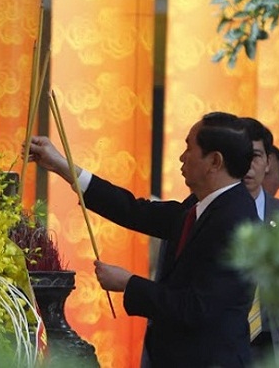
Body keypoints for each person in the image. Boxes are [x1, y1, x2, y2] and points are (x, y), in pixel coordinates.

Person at [26, 112, 258, 367]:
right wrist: (63, 166)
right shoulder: (201, 206)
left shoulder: (237, 222)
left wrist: (129, 283)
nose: (182, 157)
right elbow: (135, 211)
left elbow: (197, 308)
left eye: (189, 148)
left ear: (214, 161)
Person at [239, 118, 279, 362]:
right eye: (241, 155)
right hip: (225, 346)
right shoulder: (203, 216)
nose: (248, 165)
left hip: (278, 347)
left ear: (268, 162)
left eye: (256, 156)